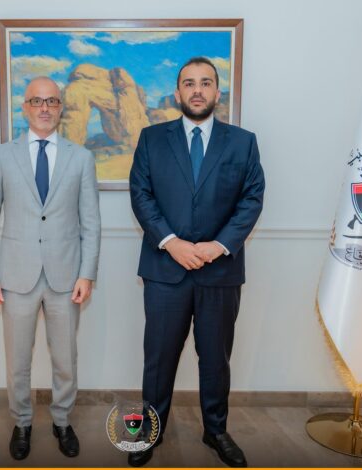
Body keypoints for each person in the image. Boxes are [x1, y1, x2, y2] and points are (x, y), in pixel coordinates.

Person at [128, 57, 265, 468]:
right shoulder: (152, 139)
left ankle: (216, 431)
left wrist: (218, 246)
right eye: (189, 83)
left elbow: (252, 198)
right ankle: (150, 431)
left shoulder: (242, 142)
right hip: (165, 271)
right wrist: (172, 243)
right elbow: (141, 195)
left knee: (216, 360)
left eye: (206, 83)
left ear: (217, 92)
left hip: (220, 272)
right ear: (177, 93)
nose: (197, 90)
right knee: (159, 359)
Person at [0, 76, 100, 461]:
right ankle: (22, 422)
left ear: (61, 107)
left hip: (66, 277)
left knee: (65, 359)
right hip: (15, 278)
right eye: (36, 101)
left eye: (51, 101)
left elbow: (91, 223)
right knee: (18, 360)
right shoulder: (1, 156)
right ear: (25, 107)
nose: (44, 108)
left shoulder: (81, 158)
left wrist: (87, 273)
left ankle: (62, 420)